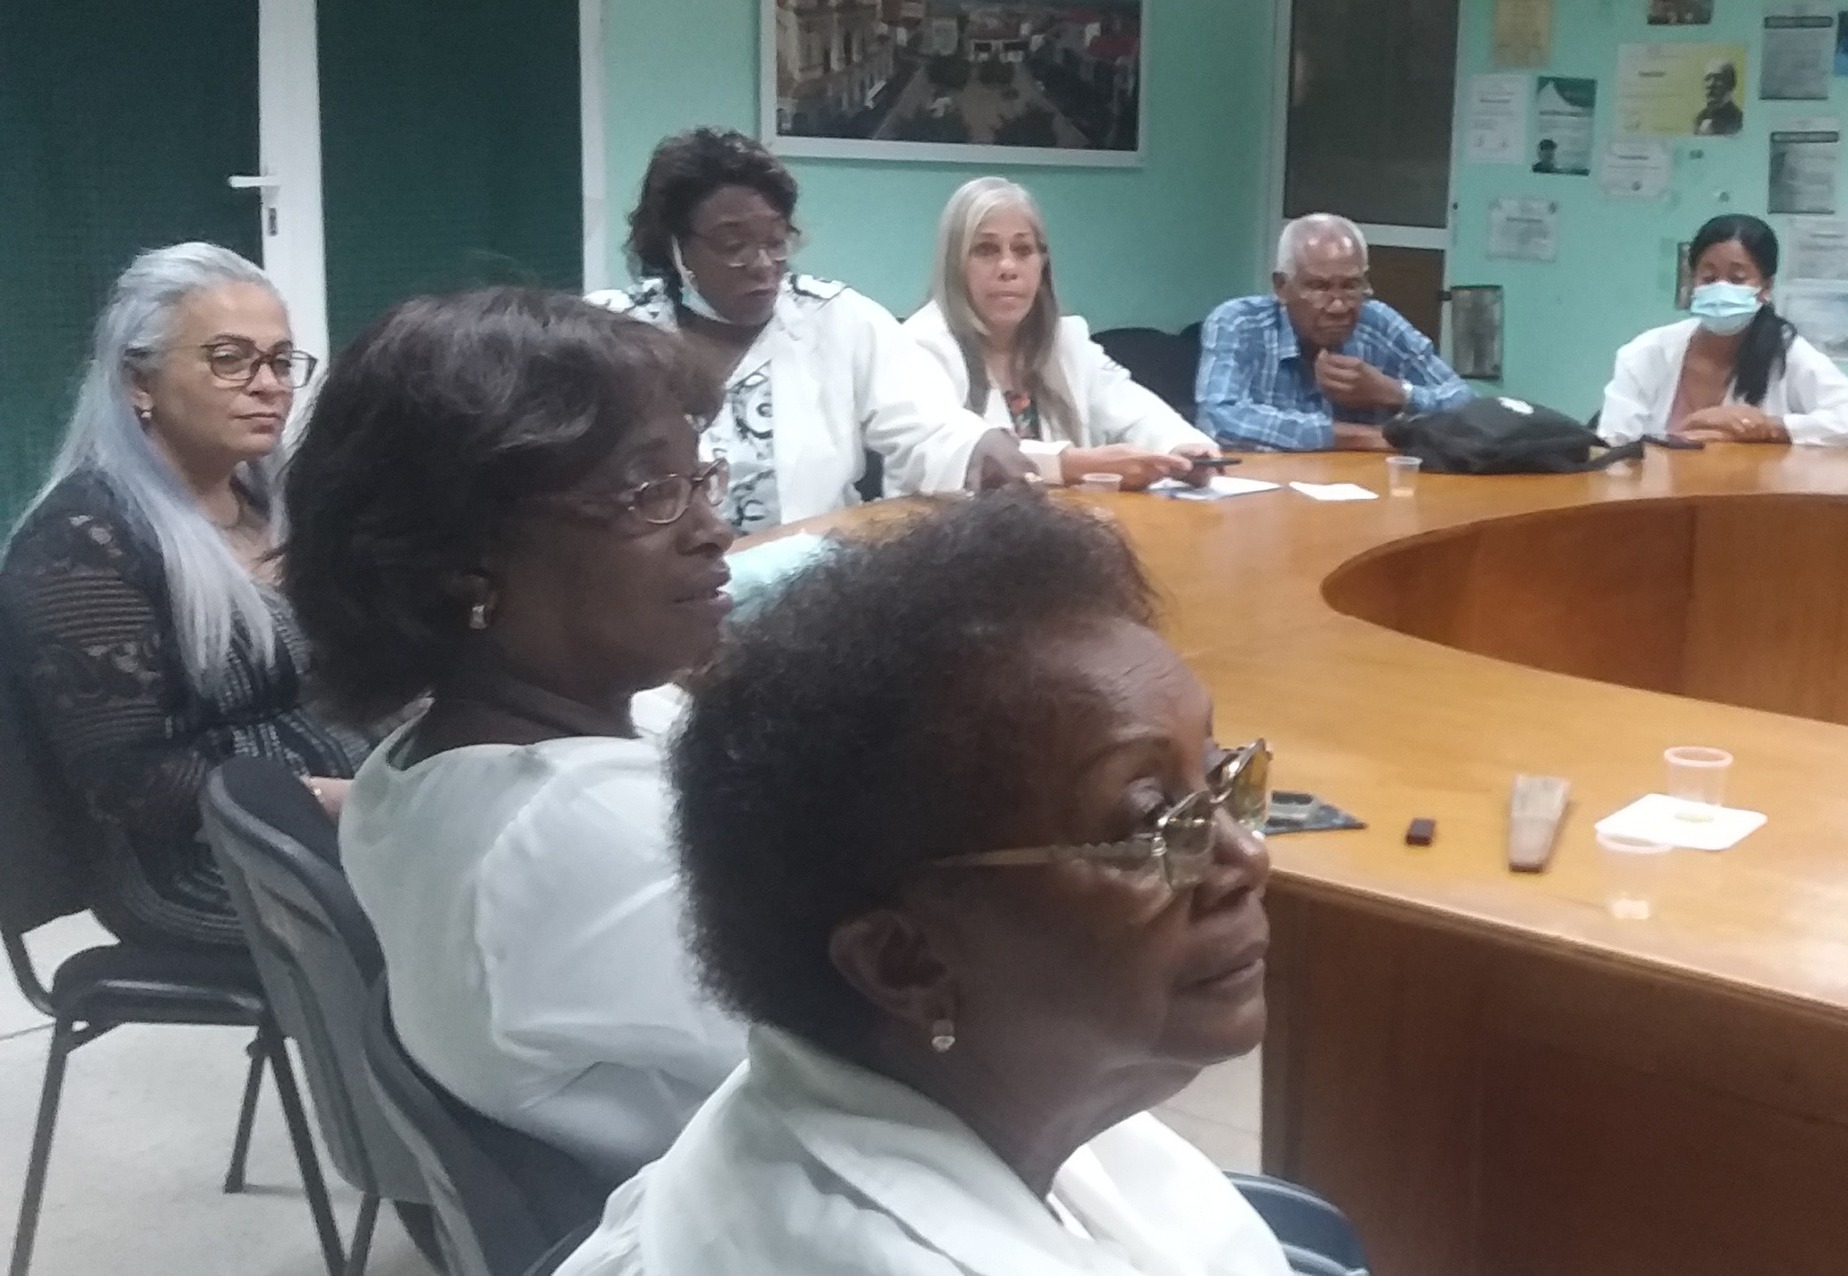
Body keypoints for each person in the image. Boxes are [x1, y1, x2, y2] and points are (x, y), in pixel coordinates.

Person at [557, 490, 1293, 1275]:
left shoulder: (973, 1090)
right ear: (905, 962)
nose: (1245, 859)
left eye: (1221, 778)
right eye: (1149, 823)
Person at [282, 289, 751, 1181]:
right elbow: (918, 1062)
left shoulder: (408, 769)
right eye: (649, 492)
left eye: (700, 479)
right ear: (466, 557)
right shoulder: (581, 838)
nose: (712, 529)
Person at [0, 243, 366, 952]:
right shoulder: (82, 540)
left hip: (338, 817)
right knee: (447, 908)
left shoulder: (273, 505)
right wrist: (329, 799)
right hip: (194, 860)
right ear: (139, 382)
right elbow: (132, 779)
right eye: (231, 359)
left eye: (281, 361)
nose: (269, 386)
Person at [590, 127, 1030, 534]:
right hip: (659, 586)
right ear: (675, 246)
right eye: (733, 245)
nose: (763, 265)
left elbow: (925, 422)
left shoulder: (837, 318)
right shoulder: (613, 332)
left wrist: (976, 444)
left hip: (809, 580)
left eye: (776, 241)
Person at [902, 176, 1221, 491]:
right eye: (986, 250)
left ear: (1042, 264)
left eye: (1023, 250)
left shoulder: (1066, 339)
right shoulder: (920, 345)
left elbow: (1133, 409)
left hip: (1062, 520)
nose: (1008, 267)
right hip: (948, 523)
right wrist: (1076, 465)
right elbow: (947, 451)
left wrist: (1181, 446)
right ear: (954, 265)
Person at [1598, 215, 1848, 448]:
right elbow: (1612, 444)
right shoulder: (1647, 353)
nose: (1721, 288)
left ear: (1766, 288)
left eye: (1737, 279)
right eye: (1708, 277)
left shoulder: (1786, 353)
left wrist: (1768, 428)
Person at [1197, 213, 1471, 452]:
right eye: (1319, 287)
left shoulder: (1378, 324)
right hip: (1263, 489)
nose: (1339, 306)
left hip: (1362, 487)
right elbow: (1220, 418)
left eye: (1351, 286)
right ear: (1281, 287)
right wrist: (1361, 437)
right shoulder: (1240, 323)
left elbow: (1469, 407)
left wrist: (1395, 392)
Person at [1696, 62, 1744, 137]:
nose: (1710, 84)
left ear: (1730, 85)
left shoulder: (1740, 120)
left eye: (1717, 78)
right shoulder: (1700, 118)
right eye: (1707, 78)